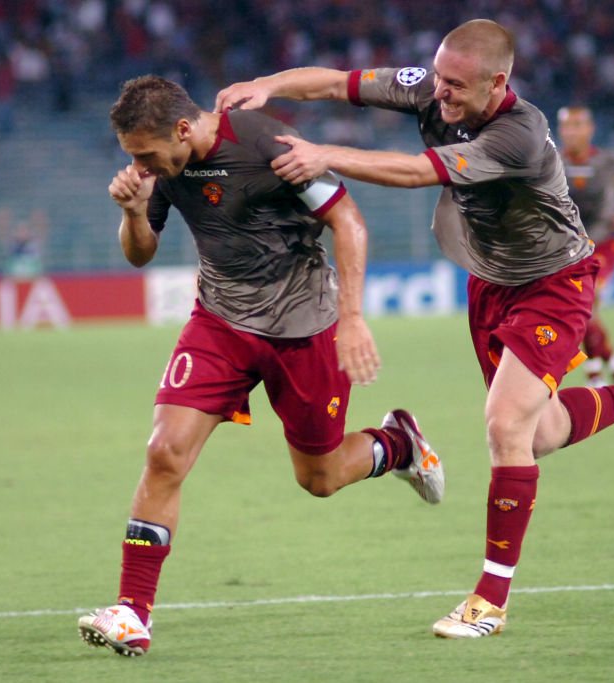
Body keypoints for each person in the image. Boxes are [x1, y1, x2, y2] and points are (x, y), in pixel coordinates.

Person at [215, 18, 614, 639]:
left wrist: (325, 155)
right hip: (488, 283)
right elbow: (336, 83)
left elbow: (418, 172)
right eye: (437, 79)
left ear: (498, 82)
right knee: (539, 432)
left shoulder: (521, 134)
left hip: (554, 284)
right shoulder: (433, 86)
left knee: (504, 426)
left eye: (455, 87)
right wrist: (265, 84)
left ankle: (489, 601)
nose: (439, 95)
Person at [78, 75, 445, 657]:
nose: (140, 165)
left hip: (303, 327)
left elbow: (348, 223)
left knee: (319, 478)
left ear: (181, 129)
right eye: (132, 157)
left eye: (144, 154)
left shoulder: (269, 147)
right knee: (164, 451)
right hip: (220, 322)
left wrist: (351, 317)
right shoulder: (163, 172)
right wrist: (132, 213)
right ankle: (132, 612)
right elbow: (140, 254)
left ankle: (396, 445)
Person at [557, 105, 614, 387]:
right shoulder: (553, 161)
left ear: (590, 129)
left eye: (578, 125)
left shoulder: (608, 160)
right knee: (579, 305)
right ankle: (612, 363)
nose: (572, 132)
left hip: (606, 242)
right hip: (572, 247)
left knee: (589, 298)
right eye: (567, 126)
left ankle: (595, 370)